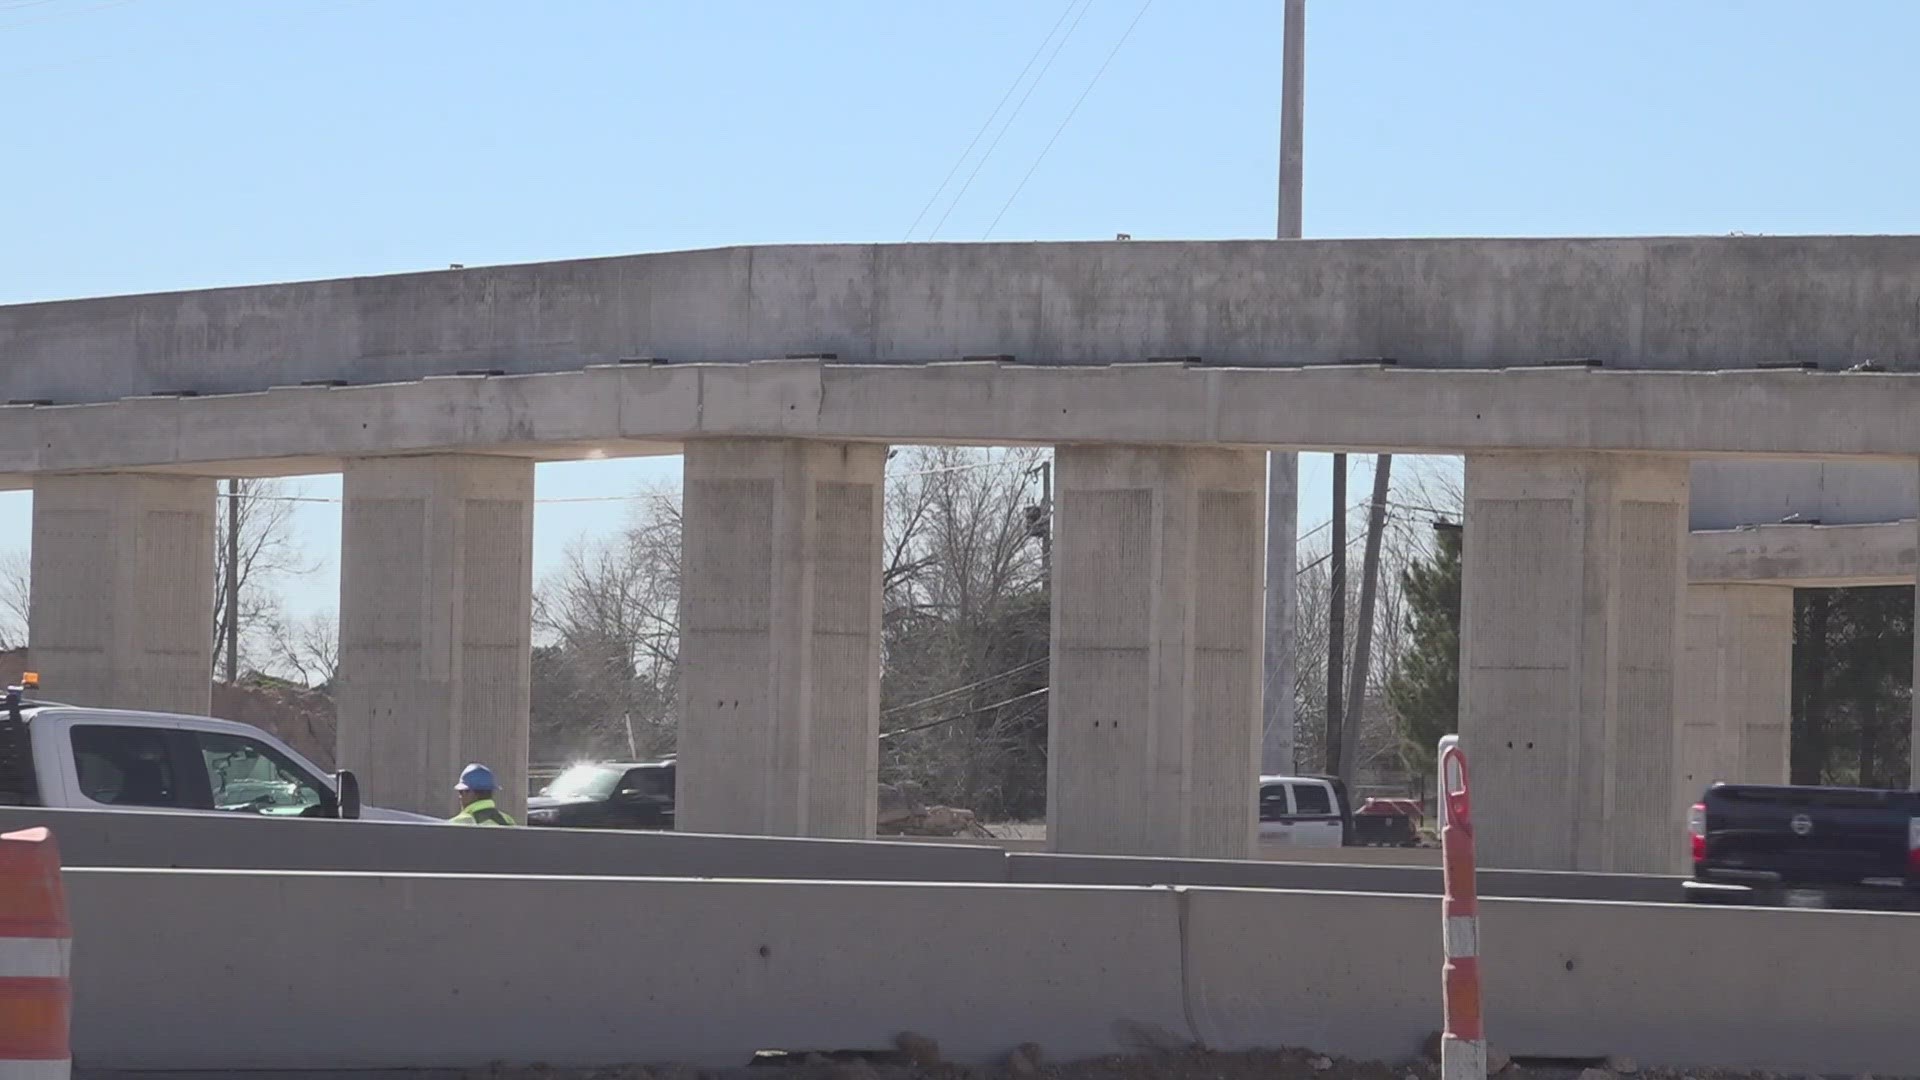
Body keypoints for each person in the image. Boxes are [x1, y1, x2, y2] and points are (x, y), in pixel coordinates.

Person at [449, 763, 516, 826]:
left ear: (469, 792)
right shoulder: (508, 820)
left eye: (461, 792)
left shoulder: (460, 822)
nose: (460, 797)